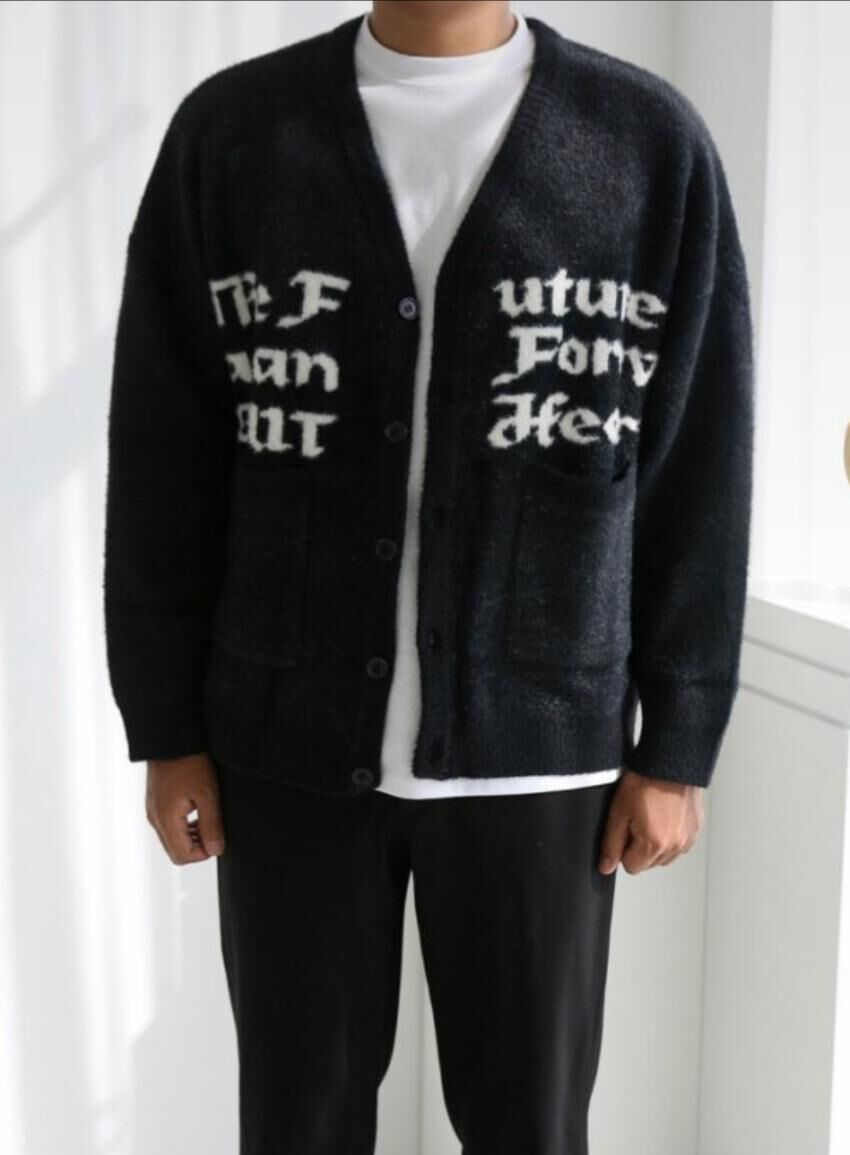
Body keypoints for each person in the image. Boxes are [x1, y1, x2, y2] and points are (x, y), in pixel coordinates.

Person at [103, 2, 755, 1152]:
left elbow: (697, 461)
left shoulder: (643, 144)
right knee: (297, 1123)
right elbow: (165, 453)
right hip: (284, 741)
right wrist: (165, 726)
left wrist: (678, 741)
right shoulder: (237, 135)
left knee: (529, 1127)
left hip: (542, 748)